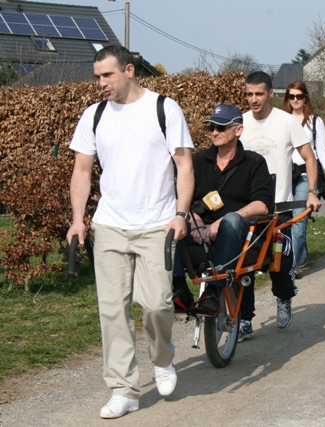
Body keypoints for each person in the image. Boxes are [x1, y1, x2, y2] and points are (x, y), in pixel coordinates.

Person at [66, 45, 194, 418]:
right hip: (109, 225)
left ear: (129, 70)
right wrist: (79, 220)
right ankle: (124, 390)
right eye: (97, 77)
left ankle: (162, 358)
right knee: (112, 311)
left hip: (156, 223)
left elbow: (183, 165)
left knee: (156, 303)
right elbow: (82, 171)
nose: (101, 83)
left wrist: (181, 213)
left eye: (107, 75)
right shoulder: (94, 116)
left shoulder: (163, 108)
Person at [171, 105, 274, 332]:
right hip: (199, 231)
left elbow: (263, 203)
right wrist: (195, 222)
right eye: (211, 128)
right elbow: (183, 199)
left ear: (238, 130)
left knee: (232, 221)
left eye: (221, 127)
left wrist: (225, 219)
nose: (214, 132)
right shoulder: (197, 162)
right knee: (171, 224)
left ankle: (214, 292)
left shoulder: (254, 162)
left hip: (240, 235)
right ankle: (179, 290)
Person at [241, 71, 321, 338]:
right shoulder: (239, 124)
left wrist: (312, 191)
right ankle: (244, 318)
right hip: (250, 209)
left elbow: (310, 159)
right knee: (244, 265)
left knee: (280, 266)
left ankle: (284, 298)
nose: (254, 99)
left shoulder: (286, 122)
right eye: (249, 94)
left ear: (270, 94)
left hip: (280, 208)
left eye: (259, 94)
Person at [284, 82, 325, 277]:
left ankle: (293, 265)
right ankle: (301, 256)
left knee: (299, 217)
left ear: (305, 98)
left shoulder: (314, 122)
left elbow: (321, 151)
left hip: (306, 175)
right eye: (291, 96)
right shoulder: (283, 121)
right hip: (286, 175)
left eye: (299, 96)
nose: (295, 100)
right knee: (285, 219)